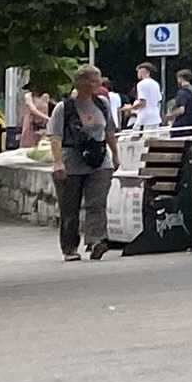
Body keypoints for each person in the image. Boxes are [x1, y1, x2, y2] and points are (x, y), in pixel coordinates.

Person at [49, 66, 122, 261]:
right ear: (82, 83)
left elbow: (109, 131)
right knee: (70, 208)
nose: (98, 84)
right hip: (71, 162)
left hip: (99, 160)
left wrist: (115, 155)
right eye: (94, 80)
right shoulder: (64, 108)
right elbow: (55, 137)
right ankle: (70, 247)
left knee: (97, 204)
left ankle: (96, 241)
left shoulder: (102, 104)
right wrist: (58, 162)